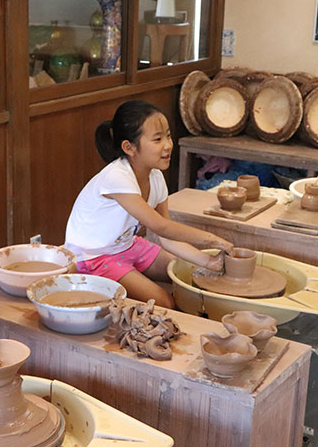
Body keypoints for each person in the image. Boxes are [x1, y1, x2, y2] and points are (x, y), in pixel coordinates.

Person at [65, 100, 234, 309]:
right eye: (157, 139)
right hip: (93, 257)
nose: (168, 145)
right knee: (164, 303)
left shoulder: (155, 176)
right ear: (129, 147)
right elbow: (160, 226)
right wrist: (214, 241)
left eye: (168, 136)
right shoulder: (117, 177)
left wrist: (209, 262)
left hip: (128, 245)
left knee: (189, 275)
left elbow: (167, 237)